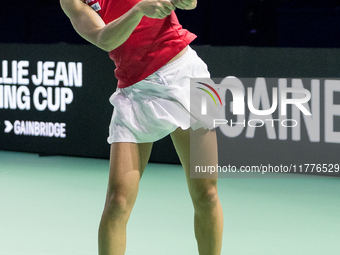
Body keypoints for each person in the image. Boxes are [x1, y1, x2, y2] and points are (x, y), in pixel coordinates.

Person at [60, 0, 223, 254]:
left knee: (207, 193)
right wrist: (138, 10)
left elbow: (191, 3)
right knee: (118, 201)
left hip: (185, 75)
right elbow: (104, 39)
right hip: (135, 93)